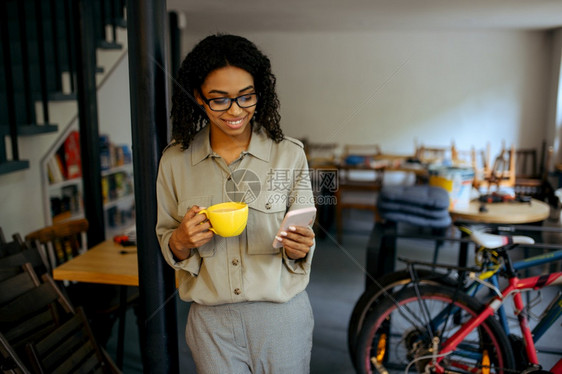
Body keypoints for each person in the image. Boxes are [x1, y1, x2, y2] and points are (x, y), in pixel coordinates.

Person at [155, 33, 317, 374]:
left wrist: (299, 247)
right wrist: (181, 241)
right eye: (220, 100)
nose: (235, 111)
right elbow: (169, 238)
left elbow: (301, 239)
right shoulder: (174, 161)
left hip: (281, 317)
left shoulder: (289, 154)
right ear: (199, 98)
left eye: (246, 97)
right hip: (211, 324)